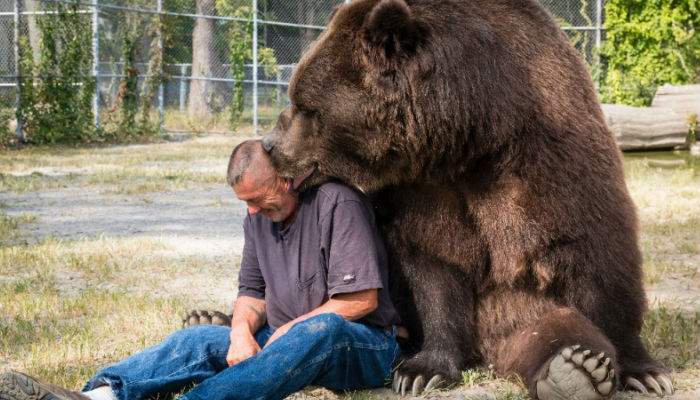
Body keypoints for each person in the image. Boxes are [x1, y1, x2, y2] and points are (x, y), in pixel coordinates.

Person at [0, 140, 403, 400]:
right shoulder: (257, 218)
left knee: (319, 329)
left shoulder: (338, 203)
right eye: (245, 203)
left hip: (362, 343)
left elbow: (360, 300)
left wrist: (291, 330)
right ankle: (98, 396)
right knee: (197, 339)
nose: (253, 212)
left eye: (260, 201)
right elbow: (251, 293)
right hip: (281, 337)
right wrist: (241, 333)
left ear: (288, 179)